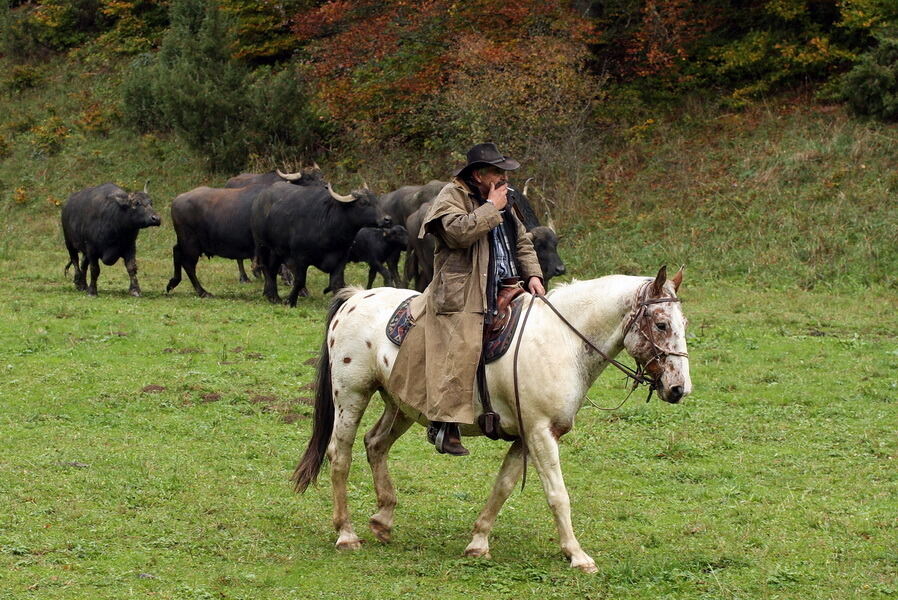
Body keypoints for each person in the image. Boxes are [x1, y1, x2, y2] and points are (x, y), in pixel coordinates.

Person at [388, 142, 545, 455]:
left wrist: (534, 275)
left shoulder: (507, 198)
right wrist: (491, 207)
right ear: (479, 174)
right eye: (497, 172)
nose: (504, 177)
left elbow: (522, 242)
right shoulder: (452, 196)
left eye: (504, 172)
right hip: (463, 290)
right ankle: (444, 424)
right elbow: (458, 233)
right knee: (463, 344)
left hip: (508, 283)